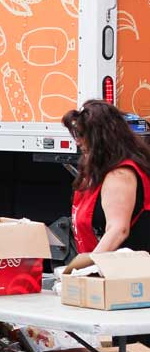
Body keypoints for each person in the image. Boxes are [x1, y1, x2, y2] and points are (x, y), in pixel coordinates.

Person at [64, 100, 150, 253]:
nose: (77, 141)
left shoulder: (120, 175)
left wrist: (87, 267)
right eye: (76, 134)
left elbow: (118, 230)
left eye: (82, 134)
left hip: (127, 272)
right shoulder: (100, 170)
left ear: (102, 137)